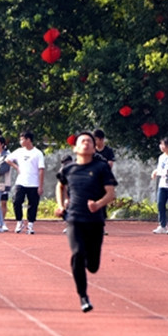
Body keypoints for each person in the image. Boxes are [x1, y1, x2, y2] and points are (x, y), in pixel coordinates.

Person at [55, 131, 117, 312]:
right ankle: (83, 296)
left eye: (89, 141)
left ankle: (91, 261)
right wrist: (60, 205)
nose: (86, 144)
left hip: (95, 221)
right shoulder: (68, 169)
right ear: (75, 148)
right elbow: (60, 185)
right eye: (82, 141)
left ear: (93, 147)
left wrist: (98, 204)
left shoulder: (101, 168)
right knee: (77, 255)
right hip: (74, 218)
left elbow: (111, 193)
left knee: (93, 265)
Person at [10, 131, 45, 233]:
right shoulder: (19, 151)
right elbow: (8, 160)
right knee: (17, 201)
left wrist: (40, 186)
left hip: (33, 183)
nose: (20, 141)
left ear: (28, 140)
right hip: (21, 182)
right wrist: (16, 167)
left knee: (33, 204)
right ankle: (19, 222)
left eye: (22, 139)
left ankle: (30, 225)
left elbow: (41, 169)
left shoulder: (38, 153)